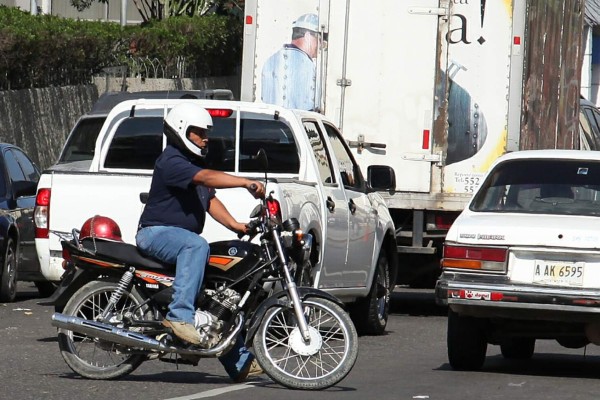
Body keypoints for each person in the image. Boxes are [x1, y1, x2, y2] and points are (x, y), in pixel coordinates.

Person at [135, 102, 265, 382]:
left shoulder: (195, 164)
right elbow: (206, 179)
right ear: (182, 130)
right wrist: (245, 182)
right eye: (198, 132)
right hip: (155, 232)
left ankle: (239, 360)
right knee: (196, 245)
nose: (205, 138)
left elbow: (211, 200)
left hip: (176, 237)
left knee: (218, 295)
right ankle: (179, 317)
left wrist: (238, 226)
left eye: (206, 133)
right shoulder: (172, 161)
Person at [261, 13, 321, 111]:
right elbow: (312, 108)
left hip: (270, 124)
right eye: (318, 40)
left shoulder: (270, 61)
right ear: (308, 36)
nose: (319, 45)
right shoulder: (308, 66)